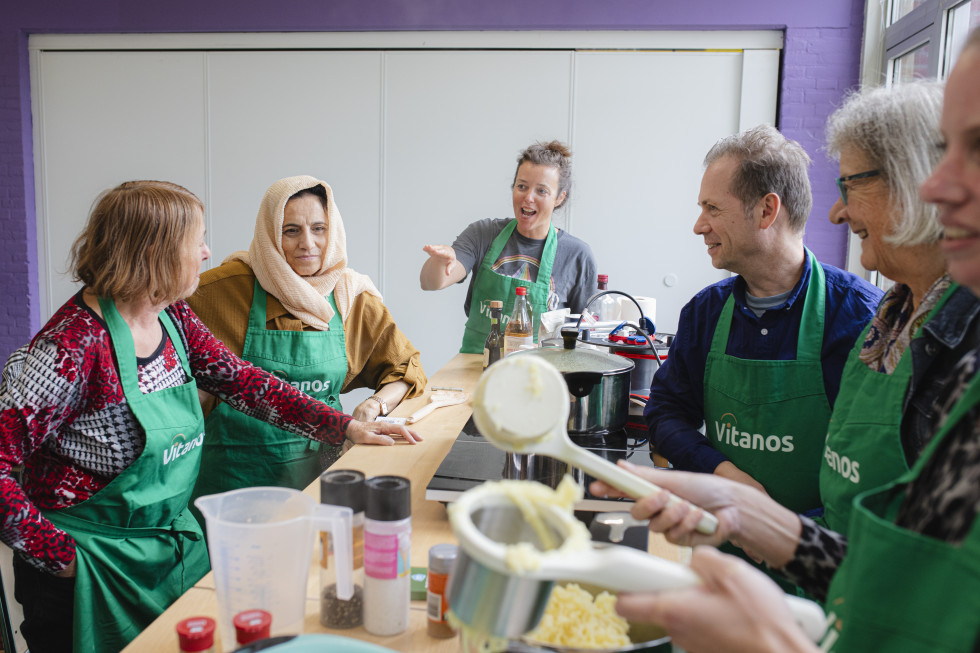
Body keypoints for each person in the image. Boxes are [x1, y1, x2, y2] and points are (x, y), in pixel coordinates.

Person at [593, 28, 980, 652]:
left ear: (766, 211)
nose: (837, 211)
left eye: (851, 185)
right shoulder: (890, 326)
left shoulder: (869, 321)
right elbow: (886, 575)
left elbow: (927, 612)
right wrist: (736, 501)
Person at [0, 181, 420, 653]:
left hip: (167, 551)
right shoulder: (69, 347)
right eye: (196, 241)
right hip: (90, 567)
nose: (205, 252)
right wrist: (60, 557)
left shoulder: (171, 317)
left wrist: (344, 426)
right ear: (154, 251)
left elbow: (245, 382)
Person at [645, 124, 881, 517]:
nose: (699, 225)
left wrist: (783, 533)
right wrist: (722, 473)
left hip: (824, 563)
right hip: (721, 551)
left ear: (767, 210)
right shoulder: (705, 313)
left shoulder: (861, 318)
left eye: (713, 208)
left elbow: (875, 480)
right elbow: (665, 413)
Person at [186, 175, 426, 498]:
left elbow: (407, 367)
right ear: (269, 234)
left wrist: (372, 406)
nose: (308, 244)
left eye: (319, 229)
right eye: (291, 231)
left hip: (318, 484)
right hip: (233, 491)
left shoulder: (349, 297)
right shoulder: (218, 291)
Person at [820, 80, 980, 533]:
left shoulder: (965, 347)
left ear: (914, 180)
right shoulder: (891, 315)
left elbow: (938, 575)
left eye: (850, 184)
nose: (837, 211)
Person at [419, 140, 598, 353]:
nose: (528, 197)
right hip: (476, 371)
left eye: (541, 191)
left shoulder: (577, 256)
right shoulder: (483, 234)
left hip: (540, 376)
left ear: (559, 198)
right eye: (522, 186)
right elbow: (431, 282)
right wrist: (440, 263)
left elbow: (585, 339)